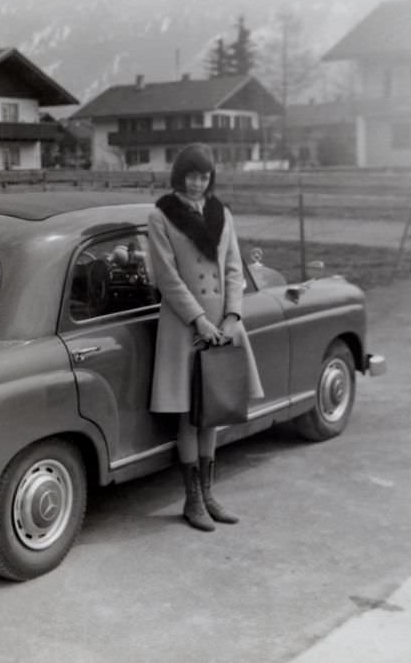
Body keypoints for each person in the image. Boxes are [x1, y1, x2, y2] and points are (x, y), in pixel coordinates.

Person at [148, 143, 264, 531]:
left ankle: (210, 495)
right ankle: (192, 500)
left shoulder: (222, 213)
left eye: (204, 176)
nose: (197, 183)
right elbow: (167, 277)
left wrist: (233, 316)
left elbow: (233, 268)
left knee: (212, 411)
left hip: (222, 323)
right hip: (186, 326)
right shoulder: (161, 215)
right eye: (191, 176)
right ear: (178, 176)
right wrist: (199, 320)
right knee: (189, 415)